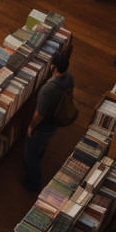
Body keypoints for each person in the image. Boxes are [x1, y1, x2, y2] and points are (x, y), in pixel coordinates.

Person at [24, 53, 74, 192]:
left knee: (31, 155)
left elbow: (39, 113)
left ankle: (32, 184)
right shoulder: (69, 78)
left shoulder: (48, 90)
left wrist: (31, 127)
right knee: (40, 148)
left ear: (53, 67)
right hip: (54, 123)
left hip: (43, 127)